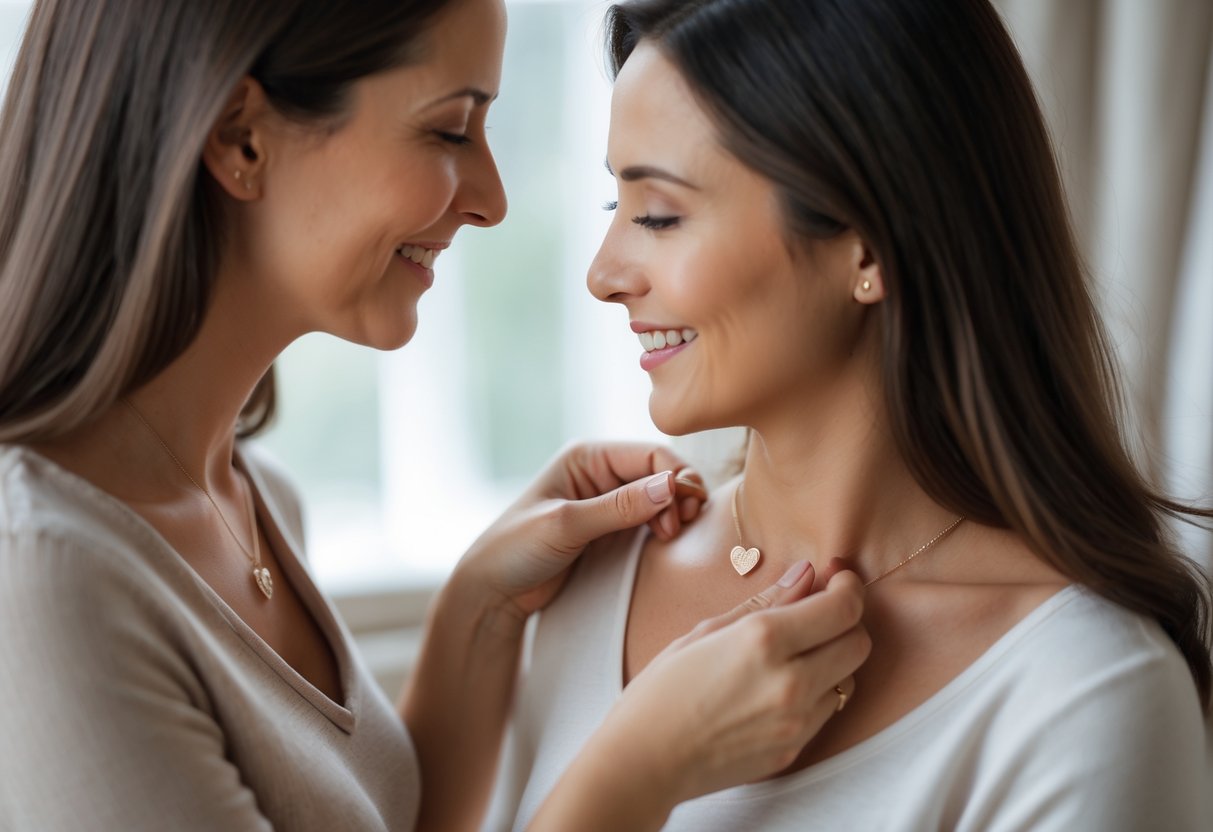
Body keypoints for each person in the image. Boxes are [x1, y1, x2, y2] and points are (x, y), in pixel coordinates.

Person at [0, 0, 874, 830]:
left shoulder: (246, 495)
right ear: (241, 140)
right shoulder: (43, 577)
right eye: (449, 130)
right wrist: (643, 766)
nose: (491, 199)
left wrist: (481, 609)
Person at [487, 0, 1213, 829]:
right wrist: (632, 770)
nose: (603, 272)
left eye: (656, 215)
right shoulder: (589, 575)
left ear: (867, 246)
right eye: (610, 208)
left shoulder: (1085, 695)